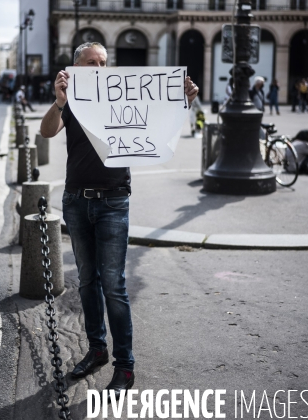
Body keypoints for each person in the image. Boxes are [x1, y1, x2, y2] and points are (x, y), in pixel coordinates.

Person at [40, 42, 199, 399]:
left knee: (113, 284)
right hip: (76, 200)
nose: (99, 68)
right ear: (76, 68)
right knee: (87, 281)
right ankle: (97, 350)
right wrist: (60, 102)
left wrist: (182, 100)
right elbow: (47, 131)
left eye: (103, 63)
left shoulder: (118, 95)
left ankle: (124, 366)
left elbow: (156, 122)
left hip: (113, 201)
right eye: (91, 63)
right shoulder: (73, 100)